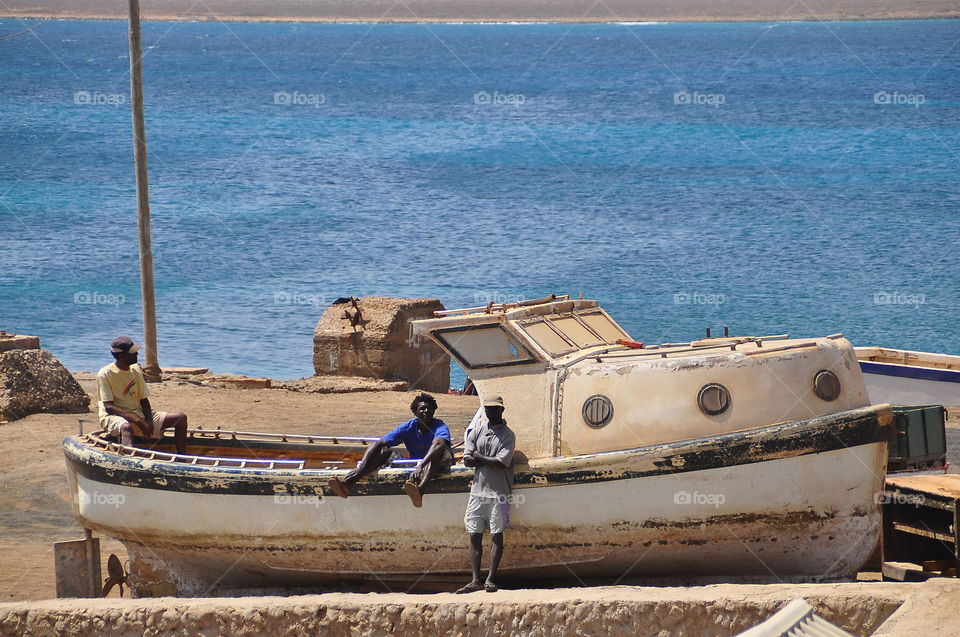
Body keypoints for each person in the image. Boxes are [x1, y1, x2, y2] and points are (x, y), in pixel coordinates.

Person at [328, 392, 453, 507]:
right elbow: (379, 443)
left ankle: (420, 489)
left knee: (437, 452)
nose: (426, 411)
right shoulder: (408, 427)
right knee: (384, 451)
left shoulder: (439, 426)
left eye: (429, 409)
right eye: (422, 409)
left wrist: (421, 465)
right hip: (416, 465)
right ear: (415, 412)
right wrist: (359, 468)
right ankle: (350, 482)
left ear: (434, 411)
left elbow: (439, 445)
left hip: (439, 464)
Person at [456, 395, 516, 594]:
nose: (490, 412)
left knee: (497, 536)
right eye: (488, 408)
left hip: (499, 493)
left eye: (494, 409)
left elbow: (501, 462)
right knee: (474, 535)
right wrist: (486, 459)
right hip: (477, 492)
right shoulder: (477, 431)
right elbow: (467, 460)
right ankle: (476, 579)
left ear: (501, 410)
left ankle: (490, 578)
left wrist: (480, 457)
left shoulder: (508, 435)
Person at [96, 336, 188, 455]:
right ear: (122, 355)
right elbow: (109, 407)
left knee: (180, 418)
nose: (137, 354)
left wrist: (149, 421)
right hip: (113, 417)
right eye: (133, 353)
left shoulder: (135, 370)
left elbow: (144, 399)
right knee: (126, 427)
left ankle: (182, 458)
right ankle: (130, 462)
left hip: (138, 413)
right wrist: (139, 421)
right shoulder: (105, 374)